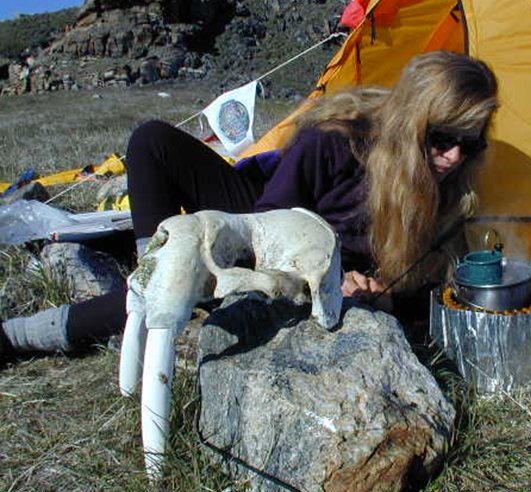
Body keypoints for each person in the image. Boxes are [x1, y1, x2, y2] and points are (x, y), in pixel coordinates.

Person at [0, 50, 499, 357]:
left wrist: (374, 293)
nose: (454, 157)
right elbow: (269, 228)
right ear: (410, 121)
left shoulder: (453, 191)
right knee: (153, 144)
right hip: (265, 215)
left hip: (324, 263)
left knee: (193, 289)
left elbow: (425, 294)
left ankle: (29, 334)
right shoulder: (335, 141)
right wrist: (316, 270)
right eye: (441, 137)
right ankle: (152, 273)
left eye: (470, 144)